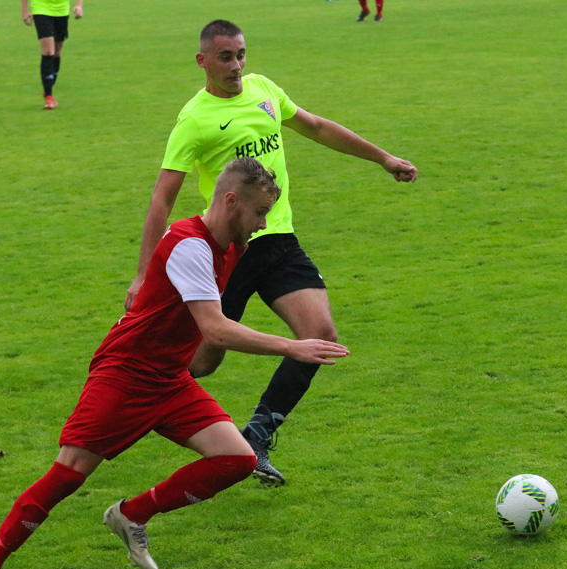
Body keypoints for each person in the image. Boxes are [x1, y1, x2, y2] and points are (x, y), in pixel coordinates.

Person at [0, 158, 349, 569]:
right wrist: (292, 346)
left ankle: (131, 514)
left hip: (169, 379)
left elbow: (210, 324)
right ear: (231, 201)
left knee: (237, 459)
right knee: (69, 474)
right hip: (126, 373)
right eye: (259, 212)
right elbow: (216, 329)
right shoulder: (189, 243)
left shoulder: (233, 248)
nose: (262, 223)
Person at [125, 19, 417, 487]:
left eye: (241, 54)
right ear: (203, 61)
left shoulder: (262, 89)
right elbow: (162, 197)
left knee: (318, 336)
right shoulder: (194, 119)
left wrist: (383, 158)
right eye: (225, 57)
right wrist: (142, 274)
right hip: (231, 249)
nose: (237, 65)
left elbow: (317, 127)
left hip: (278, 239)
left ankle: (257, 436)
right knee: (200, 362)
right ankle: (126, 398)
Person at [20, 0, 84, 109]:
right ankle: (49, 97)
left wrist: (79, 6)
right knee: (48, 51)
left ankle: (47, 88)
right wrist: (25, 11)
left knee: (57, 51)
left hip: (61, 10)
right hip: (41, 8)